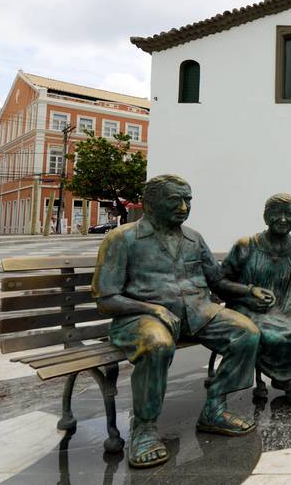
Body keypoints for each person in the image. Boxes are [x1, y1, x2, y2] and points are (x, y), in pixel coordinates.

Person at [92, 174, 265, 469]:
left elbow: (217, 281)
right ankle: (144, 429)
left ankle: (215, 408)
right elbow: (106, 298)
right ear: (150, 203)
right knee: (157, 344)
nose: (184, 207)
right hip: (140, 318)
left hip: (197, 312)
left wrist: (249, 291)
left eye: (188, 200)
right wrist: (153, 309)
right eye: (175, 200)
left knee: (246, 333)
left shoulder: (193, 238)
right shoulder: (122, 239)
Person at [218, 193, 291, 410]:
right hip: (248, 308)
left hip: (285, 307)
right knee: (271, 334)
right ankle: (290, 381)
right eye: (276, 213)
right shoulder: (246, 245)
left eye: (289, 214)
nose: (283, 219)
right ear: (266, 217)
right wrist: (246, 295)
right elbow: (220, 283)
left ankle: (287, 376)